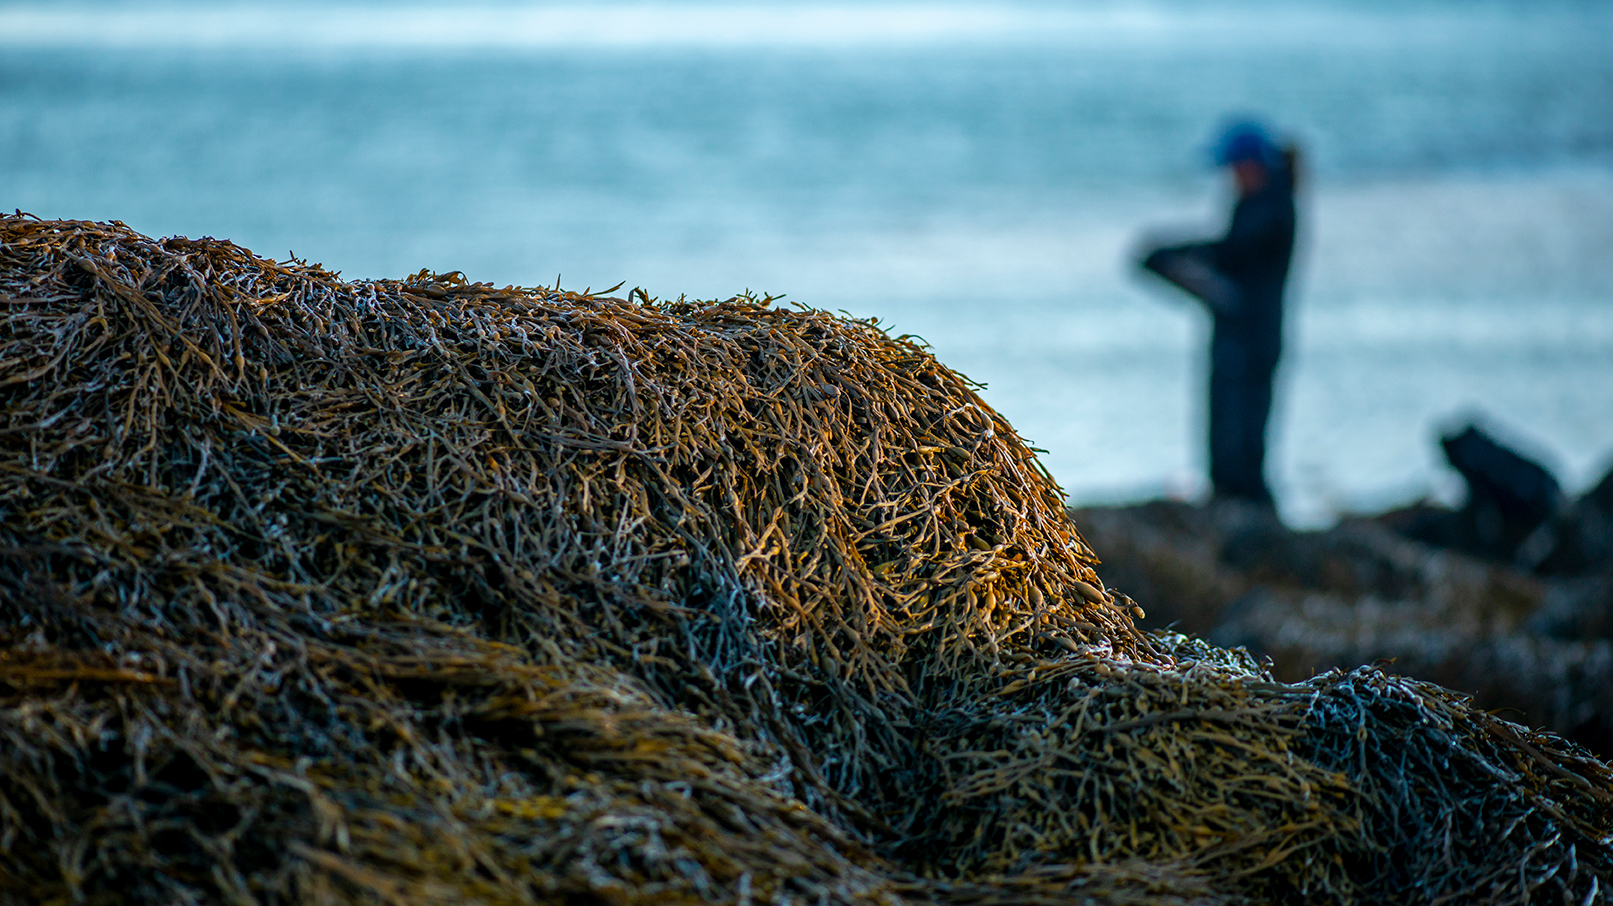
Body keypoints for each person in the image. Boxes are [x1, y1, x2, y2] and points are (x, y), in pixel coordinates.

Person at [1139, 121, 1298, 507]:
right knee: (1229, 413)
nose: (1231, 178)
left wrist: (1181, 253)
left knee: (1242, 419)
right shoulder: (1258, 202)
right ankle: (1230, 493)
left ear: (1252, 165)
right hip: (1242, 330)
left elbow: (1234, 250)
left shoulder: (1271, 208)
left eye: (1235, 168)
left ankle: (1244, 498)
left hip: (1253, 333)